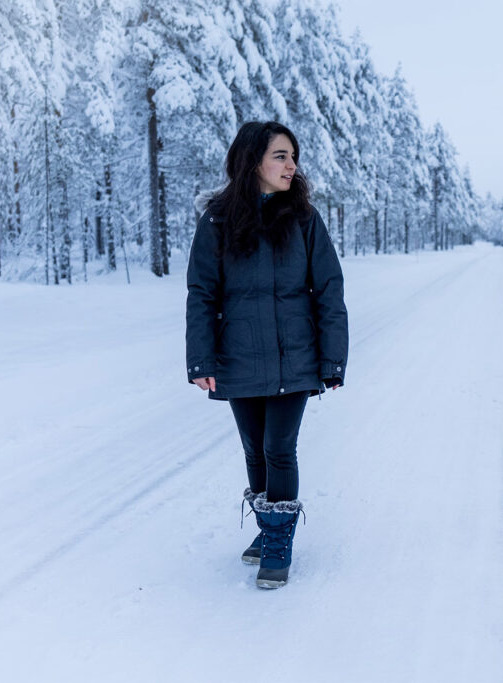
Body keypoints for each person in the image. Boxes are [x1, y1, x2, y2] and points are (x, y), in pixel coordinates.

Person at [186, 121, 348, 589]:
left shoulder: (303, 219)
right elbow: (202, 293)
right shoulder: (217, 220)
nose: (291, 165)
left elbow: (329, 290)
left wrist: (332, 358)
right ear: (253, 159)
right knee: (254, 449)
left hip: (294, 357)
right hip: (239, 357)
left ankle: (278, 544)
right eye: (281, 155)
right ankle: (267, 527)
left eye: (292, 156)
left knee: (279, 449)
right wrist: (202, 358)